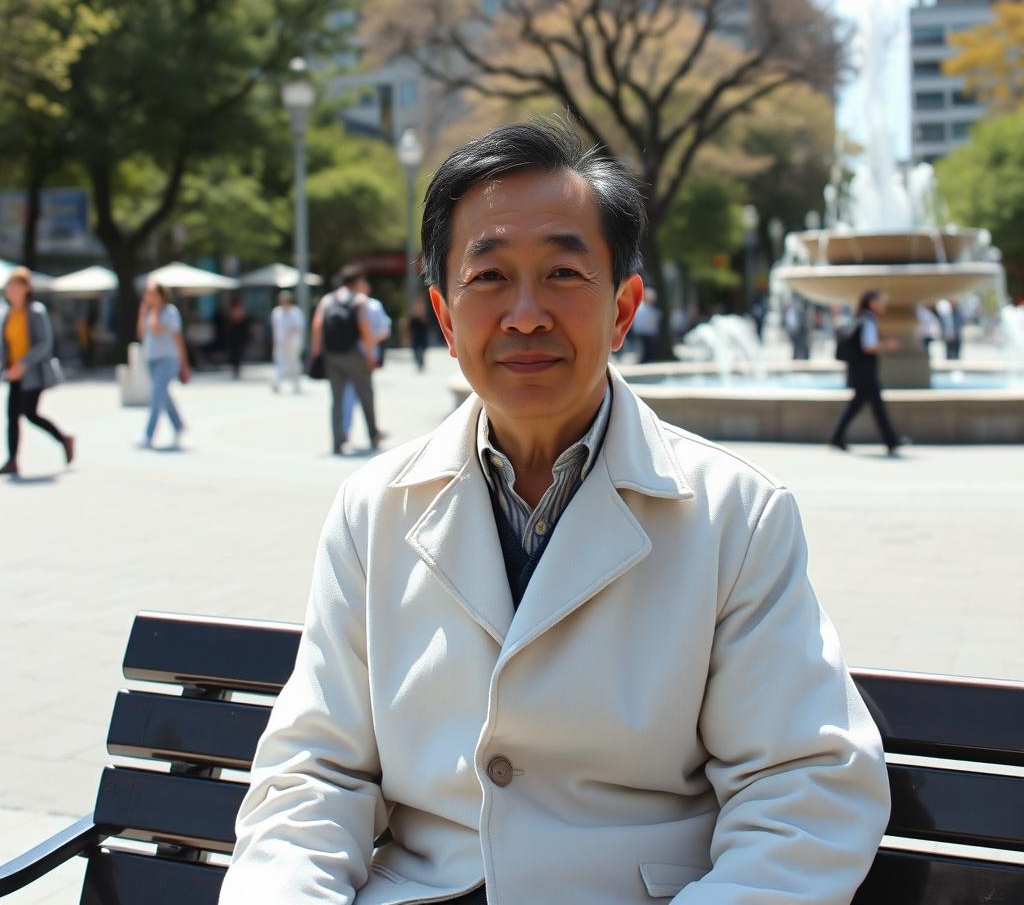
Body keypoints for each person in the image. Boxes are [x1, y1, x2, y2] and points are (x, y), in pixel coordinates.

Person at [221, 120, 889, 905]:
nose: (527, 314)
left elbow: (804, 787)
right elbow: (313, 775)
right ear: (444, 316)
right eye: (491, 277)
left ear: (623, 308)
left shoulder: (737, 514)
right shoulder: (375, 508)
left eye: (565, 273)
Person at [1, 267, 74, 477]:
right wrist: (6, 368)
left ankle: (64, 439)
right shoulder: (8, 314)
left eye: (13, 285)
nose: (9, 290)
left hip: (33, 373)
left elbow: (44, 343)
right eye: (8, 286)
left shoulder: (35, 311)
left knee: (30, 413)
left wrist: (23, 364)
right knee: (12, 416)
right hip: (13, 373)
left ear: (25, 288)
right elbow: (4, 345)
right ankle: (12, 460)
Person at [310, 266, 381, 454]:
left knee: (337, 399)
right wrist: (369, 355)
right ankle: (373, 435)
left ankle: (337, 442)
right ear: (356, 282)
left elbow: (317, 325)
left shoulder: (327, 299)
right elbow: (364, 328)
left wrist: (316, 352)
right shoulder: (360, 300)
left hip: (332, 355)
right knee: (366, 395)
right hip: (353, 355)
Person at [829, 289, 907, 455]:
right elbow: (868, 346)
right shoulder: (868, 320)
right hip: (865, 371)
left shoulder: (861, 318)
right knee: (872, 406)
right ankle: (891, 441)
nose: (883, 305)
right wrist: (888, 345)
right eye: (880, 301)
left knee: (861, 405)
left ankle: (838, 437)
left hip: (860, 370)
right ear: (872, 303)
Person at [137, 281, 190, 449]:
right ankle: (179, 425)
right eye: (147, 293)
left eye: (152, 293)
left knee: (156, 397)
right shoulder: (149, 312)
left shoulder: (170, 312)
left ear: (161, 295)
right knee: (163, 396)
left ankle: (148, 435)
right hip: (151, 358)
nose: (148, 296)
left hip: (168, 359)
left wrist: (184, 363)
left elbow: (164, 332)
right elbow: (141, 333)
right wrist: (143, 312)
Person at [341, 275, 390, 441]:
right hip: (364, 357)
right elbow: (384, 330)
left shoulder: (338, 302)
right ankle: (373, 433)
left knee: (347, 396)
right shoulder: (371, 305)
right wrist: (369, 348)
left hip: (344, 355)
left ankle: (344, 432)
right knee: (366, 397)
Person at [270, 290, 305, 394]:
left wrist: (287, 335)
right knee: (279, 362)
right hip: (280, 342)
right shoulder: (276, 311)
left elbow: (297, 327)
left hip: (293, 343)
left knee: (294, 363)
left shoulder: (296, 311)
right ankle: (277, 383)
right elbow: (274, 327)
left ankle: (296, 384)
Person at [631, 285, 660, 362]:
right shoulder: (642, 307)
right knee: (643, 349)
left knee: (648, 349)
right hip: (642, 331)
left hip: (648, 332)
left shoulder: (650, 308)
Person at [226, 295, 250, 379]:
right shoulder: (237, 311)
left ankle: (236, 369)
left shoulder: (238, 311)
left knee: (237, 354)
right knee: (236, 354)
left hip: (237, 337)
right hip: (236, 337)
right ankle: (236, 369)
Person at [409, 294, 430, 371]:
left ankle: (420, 363)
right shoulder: (414, 317)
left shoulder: (423, 316)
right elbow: (410, 326)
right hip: (415, 336)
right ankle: (419, 362)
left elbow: (426, 326)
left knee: (421, 351)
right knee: (416, 351)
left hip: (422, 336)